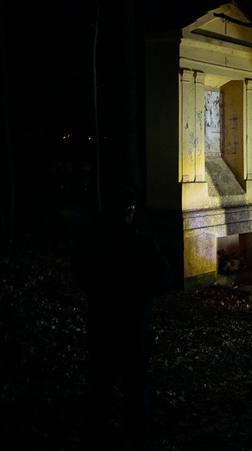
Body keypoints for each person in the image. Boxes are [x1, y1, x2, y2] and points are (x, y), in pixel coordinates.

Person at [72, 185, 171, 450]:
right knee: (135, 387)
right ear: (129, 212)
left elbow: (79, 276)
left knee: (100, 385)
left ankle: (99, 436)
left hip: (101, 323)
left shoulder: (91, 243)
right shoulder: (142, 245)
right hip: (133, 325)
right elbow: (164, 280)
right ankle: (137, 439)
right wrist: (139, 291)